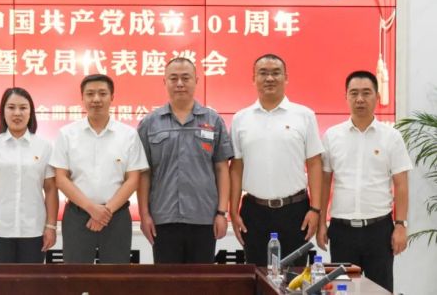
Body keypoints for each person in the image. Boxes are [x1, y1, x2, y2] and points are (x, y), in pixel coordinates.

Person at [317, 70, 411, 292]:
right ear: (346, 97)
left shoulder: (391, 137)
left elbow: (401, 184)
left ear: (377, 97)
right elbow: (324, 182)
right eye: (354, 93)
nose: (360, 99)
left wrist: (400, 225)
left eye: (366, 93)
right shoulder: (332, 136)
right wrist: (321, 223)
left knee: (380, 290)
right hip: (342, 230)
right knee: (342, 290)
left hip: (379, 230)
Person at [229, 54, 323, 266]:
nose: (269, 78)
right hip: (254, 211)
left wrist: (316, 209)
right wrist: (232, 211)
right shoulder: (241, 119)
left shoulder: (304, 115)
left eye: (276, 73)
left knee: (294, 277)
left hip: (295, 211)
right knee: (258, 276)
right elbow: (236, 167)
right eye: (263, 73)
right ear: (254, 79)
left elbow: (314, 163)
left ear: (286, 77)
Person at [137, 57, 232, 264]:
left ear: (196, 81)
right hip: (164, 218)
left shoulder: (213, 120)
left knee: (201, 280)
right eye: (173, 78)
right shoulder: (149, 123)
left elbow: (222, 168)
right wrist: (144, 215)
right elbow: (144, 173)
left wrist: (221, 213)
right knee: (167, 280)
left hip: (204, 217)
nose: (179, 83)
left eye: (185, 78)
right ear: (165, 82)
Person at [50, 74, 148, 263]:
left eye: (102, 93)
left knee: (115, 277)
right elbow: (61, 179)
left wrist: (105, 211)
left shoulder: (128, 135)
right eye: (90, 94)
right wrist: (92, 209)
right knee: (75, 276)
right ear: (82, 98)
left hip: (117, 216)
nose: (96, 99)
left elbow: (133, 179)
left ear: (112, 97)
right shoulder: (67, 134)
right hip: (77, 216)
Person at [0, 87, 59, 263]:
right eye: (11, 107)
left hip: (34, 230)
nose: (17, 113)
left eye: (23, 108)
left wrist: (51, 226)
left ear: (31, 112)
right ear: (3, 112)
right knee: (1, 280)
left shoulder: (44, 146)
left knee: (32, 280)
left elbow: (51, 189)